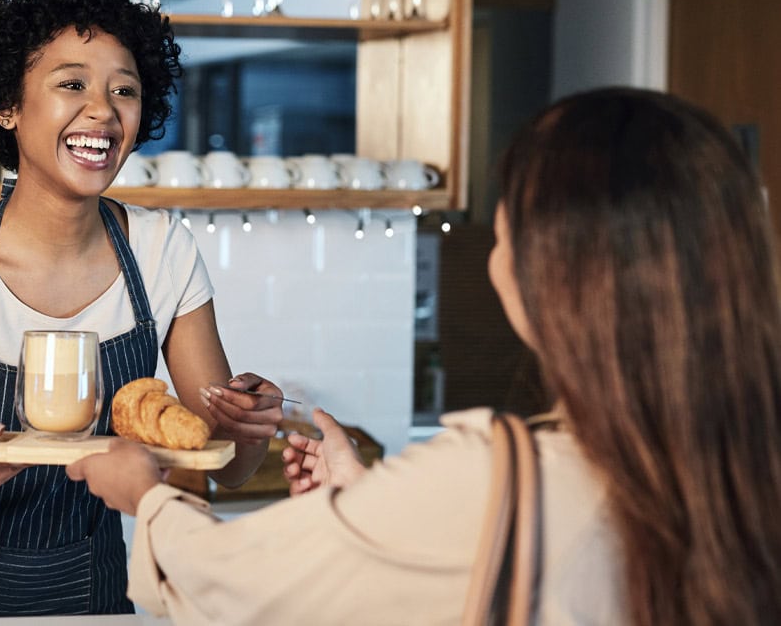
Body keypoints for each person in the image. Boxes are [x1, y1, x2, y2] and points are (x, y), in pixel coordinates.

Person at [69, 87, 781, 624]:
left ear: (556, 278)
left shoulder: (498, 473)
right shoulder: (744, 468)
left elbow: (236, 580)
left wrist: (147, 496)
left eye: (507, 235)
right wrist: (363, 500)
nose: (497, 255)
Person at [0, 0, 284, 619]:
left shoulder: (161, 252)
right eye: (71, 84)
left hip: (90, 592)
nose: (103, 111)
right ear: (7, 104)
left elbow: (224, 466)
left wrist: (248, 426)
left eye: (125, 90)